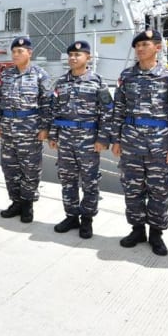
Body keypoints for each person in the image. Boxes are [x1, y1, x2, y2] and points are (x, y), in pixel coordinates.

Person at [107, 29, 168, 256]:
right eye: (138, 45)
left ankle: (156, 233)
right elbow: (118, 109)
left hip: (159, 144)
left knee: (159, 190)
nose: (140, 48)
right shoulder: (127, 76)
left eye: (145, 44)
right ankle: (137, 229)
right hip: (131, 142)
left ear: (158, 48)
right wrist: (116, 139)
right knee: (132, 189)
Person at [48, 41, 112, 238]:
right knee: (67, 179)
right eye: (71, 55)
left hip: (88, 140)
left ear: (88, 58)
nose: (73, 58)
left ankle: (87, 219)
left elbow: (107, 112)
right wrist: (53, 134)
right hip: (66, 139)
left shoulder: (98, 82)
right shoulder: (60, 83)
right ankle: (71, 216)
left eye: (78, 54)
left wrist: (102, 138)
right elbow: (54, 110)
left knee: (90, 181)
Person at [0, 36, 52, 223]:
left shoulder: (40, 75)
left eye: (20, 51)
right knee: (10, 168)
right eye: (14, 51)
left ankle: (27, 205)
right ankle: (15, 202)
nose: (15, 55)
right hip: (8, 130)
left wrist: (45, 128)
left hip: (30, 131)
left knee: (30, 169)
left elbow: (47, 104)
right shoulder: (6, 75)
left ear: (29, 53)